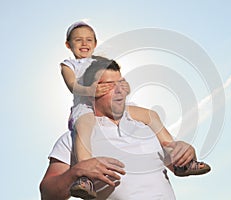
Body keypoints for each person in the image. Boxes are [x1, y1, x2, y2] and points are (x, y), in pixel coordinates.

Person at [60, 21, 211, 199]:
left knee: (150, 115)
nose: (84, 44)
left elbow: (122, 82)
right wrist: (89, 90)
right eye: (78, 40)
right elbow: (72, 85)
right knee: (84, 129)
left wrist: (119, 86)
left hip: (114, 107)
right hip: (85, 107)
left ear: (95, 43)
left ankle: (179, 159)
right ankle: (85, 179)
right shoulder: (69, 65)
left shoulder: (101, 62)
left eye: (89, 40)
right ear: (68, 45)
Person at [40, 57, 178, 199]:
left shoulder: (147, 127)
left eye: (121, 84)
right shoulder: (73, 139)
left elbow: (176, 164)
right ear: (90, 94)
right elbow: (47, 194)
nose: (119, 90)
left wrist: (186, 154)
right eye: (109, 85)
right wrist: (75, 172)